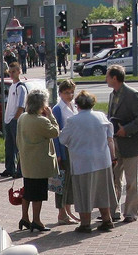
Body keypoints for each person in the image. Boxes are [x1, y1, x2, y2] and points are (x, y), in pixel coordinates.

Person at [58, 91, 118, 232]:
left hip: (82, 162)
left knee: (84, 193)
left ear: (77, 105)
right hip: (103, 160)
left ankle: (85, 223)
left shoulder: (73, 121)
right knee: (103, 191)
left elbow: (63, 139)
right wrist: (113, 156)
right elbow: (110, 137)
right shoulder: (101, 116)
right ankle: (107, 219)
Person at [105, 64, 138, 223]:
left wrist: (127, 129)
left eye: (108, 76)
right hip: (115, 144)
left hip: (131, 144)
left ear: (115, 78)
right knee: (114, 179)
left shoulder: (132, 94)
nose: (106, 79)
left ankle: (130, 213)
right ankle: (113, 211)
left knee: (131, 182)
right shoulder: (112, 94)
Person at [17, 89, 60, 232]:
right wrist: (51, 116)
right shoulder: (41, 121)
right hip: (38, 163)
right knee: (38, 194)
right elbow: (55, 132)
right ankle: (36, 220)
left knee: (27, 191)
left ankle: (25, 217)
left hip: (26, 161)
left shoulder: (22, 117)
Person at [51, 79, 78, 225]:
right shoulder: (57, 108)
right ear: (60, 93)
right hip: (63, 148)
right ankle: (61, 213)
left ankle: (68, 211)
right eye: (67, 92)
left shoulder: (73, 105)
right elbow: (56, 133)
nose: (70, 95)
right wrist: (58, 154)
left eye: (72, 92)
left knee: (70, 181)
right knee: (62, 181)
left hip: (73, 147)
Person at [0, 62, 28, 178]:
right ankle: (9, 168)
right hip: (8, 120)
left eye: (14, 71)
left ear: (19, 71)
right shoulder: (12, 86)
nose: (12, 74)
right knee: (9, 146)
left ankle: (20, 170)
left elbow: (21, 106)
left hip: (15, 120)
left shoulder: (20, 87)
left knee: (18, 147)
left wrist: (15, 119)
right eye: (10, 72)